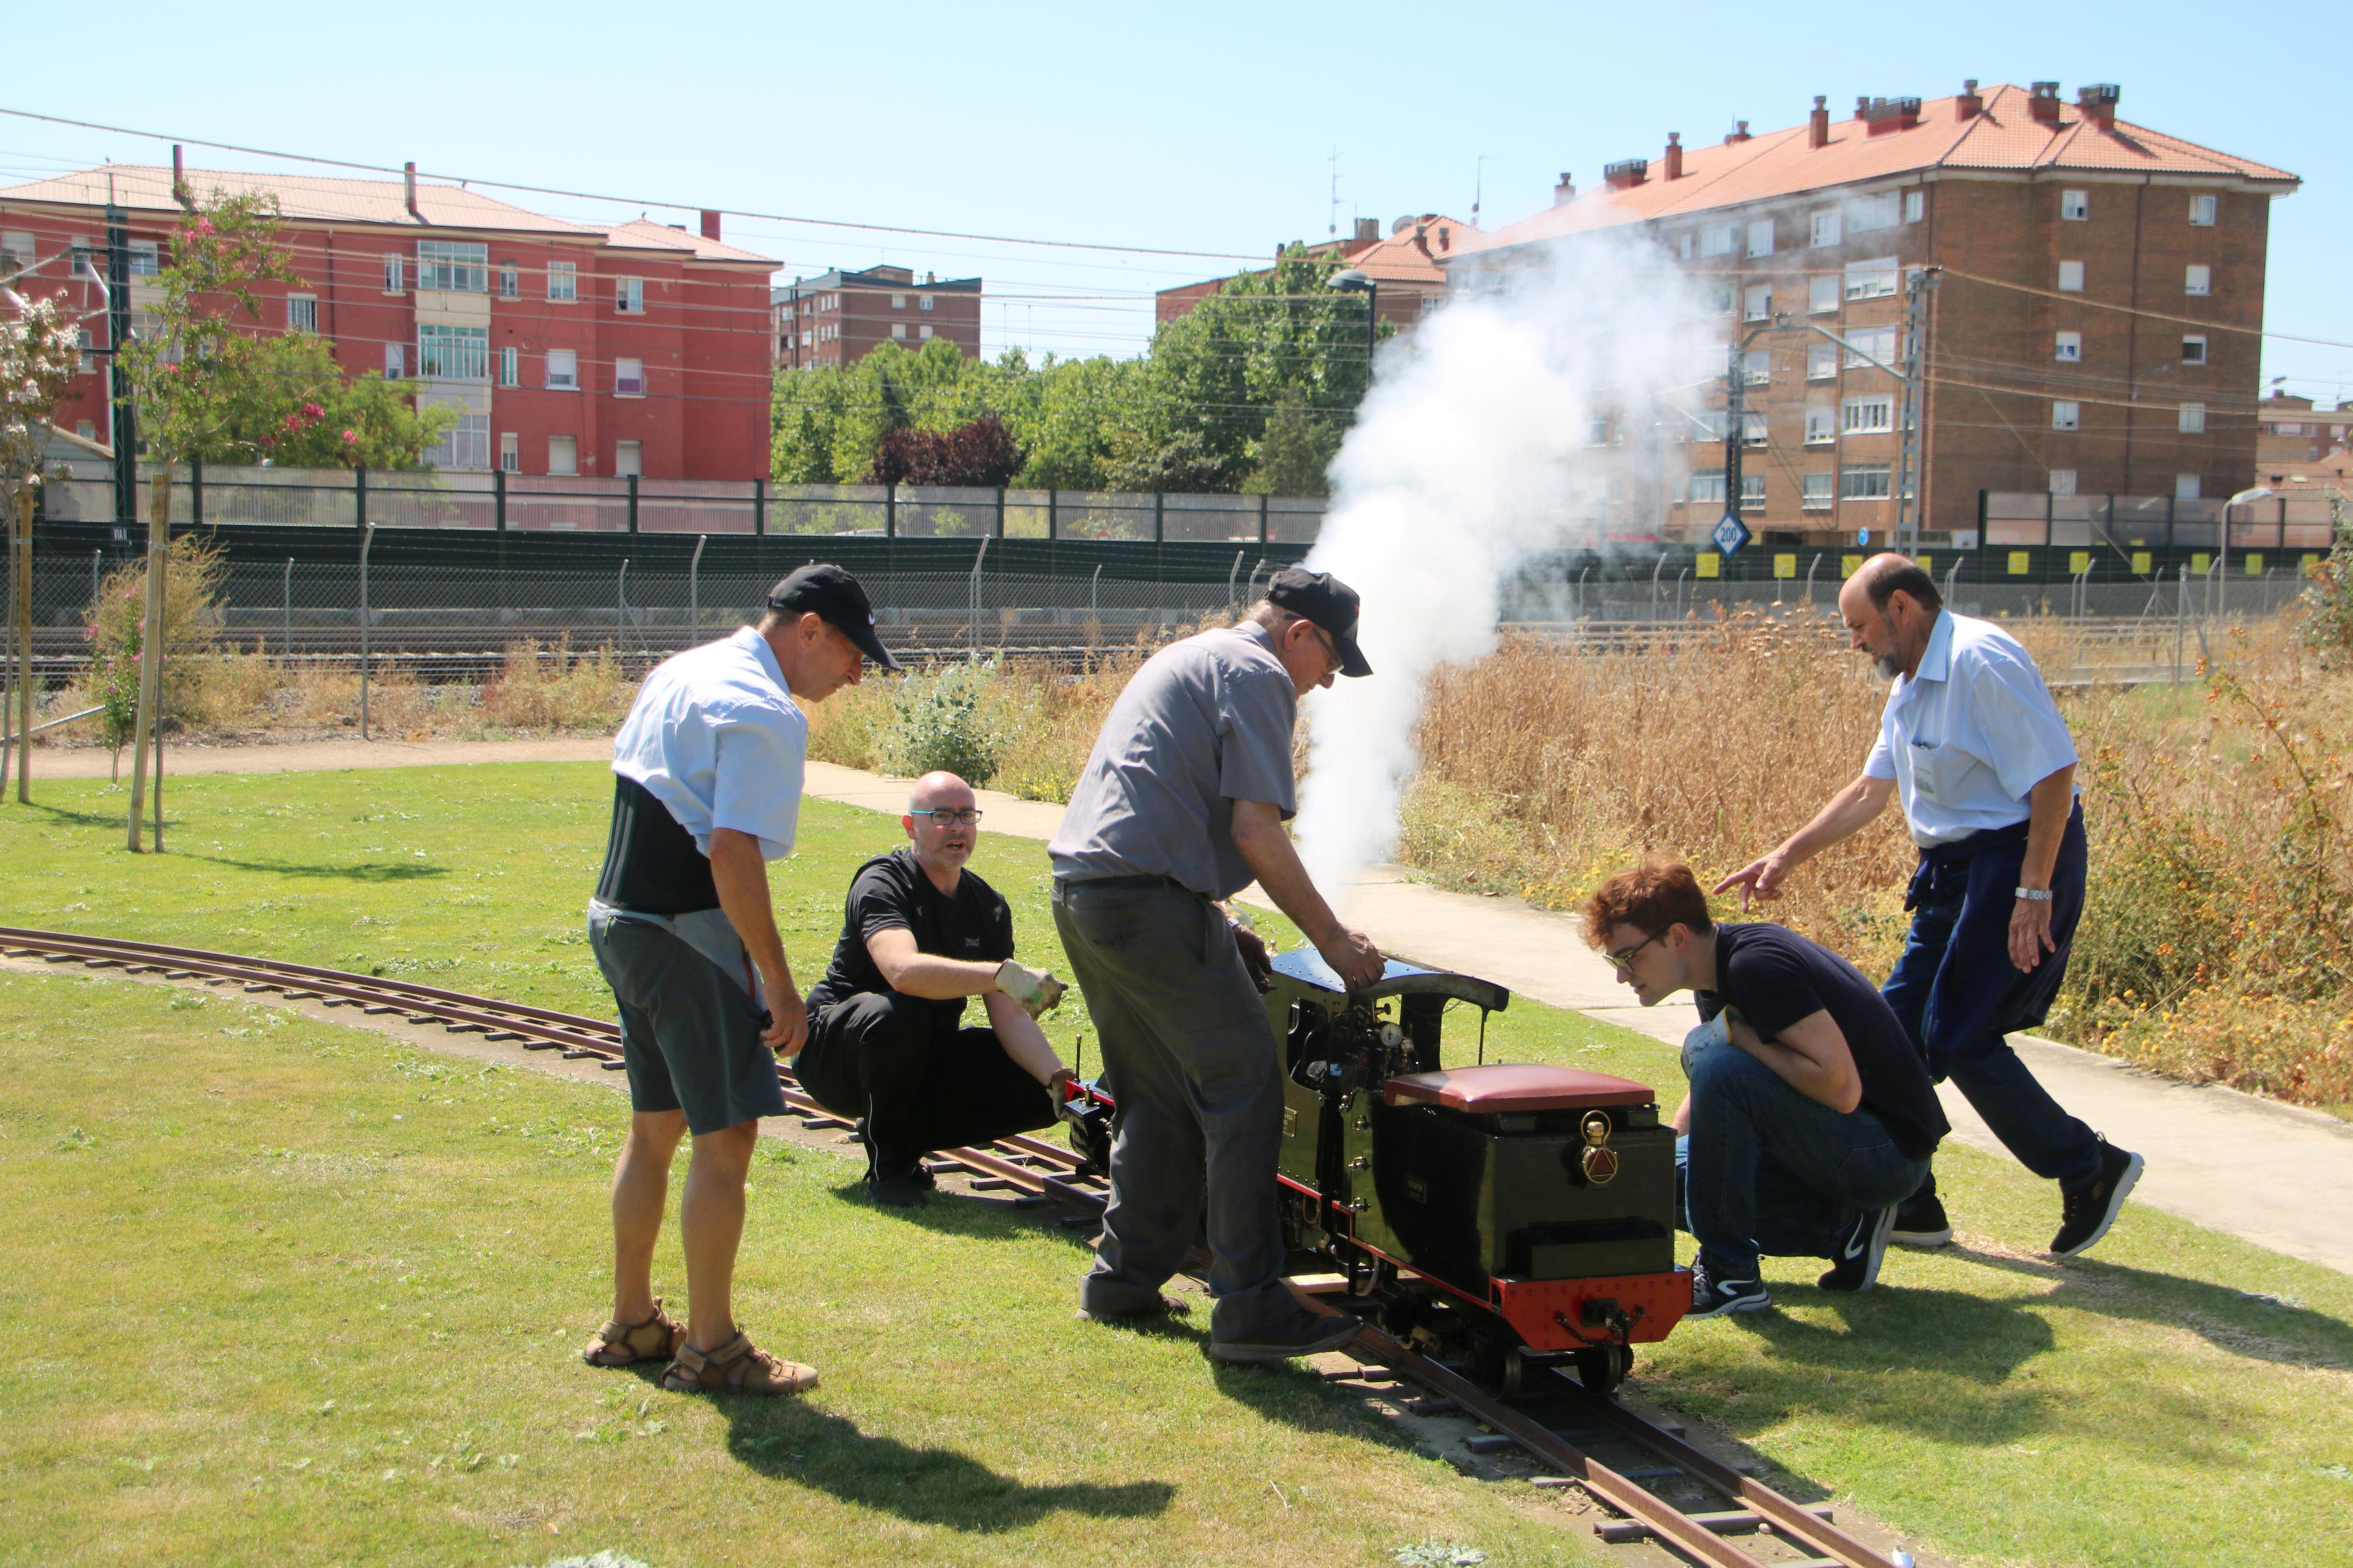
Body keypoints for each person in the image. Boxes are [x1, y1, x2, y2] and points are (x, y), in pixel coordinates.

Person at [1716, 553, 2142, 1259]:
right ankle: (1910, 1199)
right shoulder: (1907, 688)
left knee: (1954, 1036)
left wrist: (2032, 890)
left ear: (1902, 608)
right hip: (1950, 872)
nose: (1854, 642)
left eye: (1859, 626)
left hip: (2017, 860)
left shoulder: (1980, 659)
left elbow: (2054, 775)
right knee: (1886, 1032)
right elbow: (1867, 793)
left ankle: (2088, 1168)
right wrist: (1784, 854)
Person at [1049, 568, 1386, 1363]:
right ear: (1299, 632)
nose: (1329, 680)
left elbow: (1154, 796)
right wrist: (1334, 941)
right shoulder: (1259, 671)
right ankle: (1249, 1305)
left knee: (1158, 1097)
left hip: (1088, 896)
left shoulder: (1192, 654)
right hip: (1145, 902)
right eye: (1332, 658)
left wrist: (1212, 911)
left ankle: (1122, 1280)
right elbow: (1254, 830)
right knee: (1244, 1085)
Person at [579, 563, 898, 1397]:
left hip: (619, 920)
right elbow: (730, 851)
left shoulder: (681, 669)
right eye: (853, 652)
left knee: (655, 1128)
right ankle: (713, 1346)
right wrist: (781, 985)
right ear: (809, 629)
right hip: (684, 936)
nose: (857, 673)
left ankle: (632, 1321)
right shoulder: (762, 710)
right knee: (727, 1141)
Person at [1585, 863, 1949, 1316]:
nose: (1622, 975)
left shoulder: (1757, 966)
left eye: (1628, 956)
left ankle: (1730, 1275)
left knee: (1717, 1059)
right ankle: (1841, 1227)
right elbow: (1715, 1090)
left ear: (1676, 936)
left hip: (1887, 1155)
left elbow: (1840, 1088)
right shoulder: (1712, 974)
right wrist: (1663, 1150)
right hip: (1837, 1145)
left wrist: (1744, 1039)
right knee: (1646, 1176)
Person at [797, 769, 1078, 1206]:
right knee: (898, 1012)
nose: (957, 827)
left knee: (1034, 1087)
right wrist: (1001, 975)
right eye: (941, 815)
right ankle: (889, 1170)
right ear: (911, 825)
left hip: (919, 1056)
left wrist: (1060, 1082)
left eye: (967, 815)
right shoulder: (883, 882)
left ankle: (900, 1137)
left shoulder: (987, 906)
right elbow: (903, 972)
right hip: (836, 1055)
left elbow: (1008, 1014)